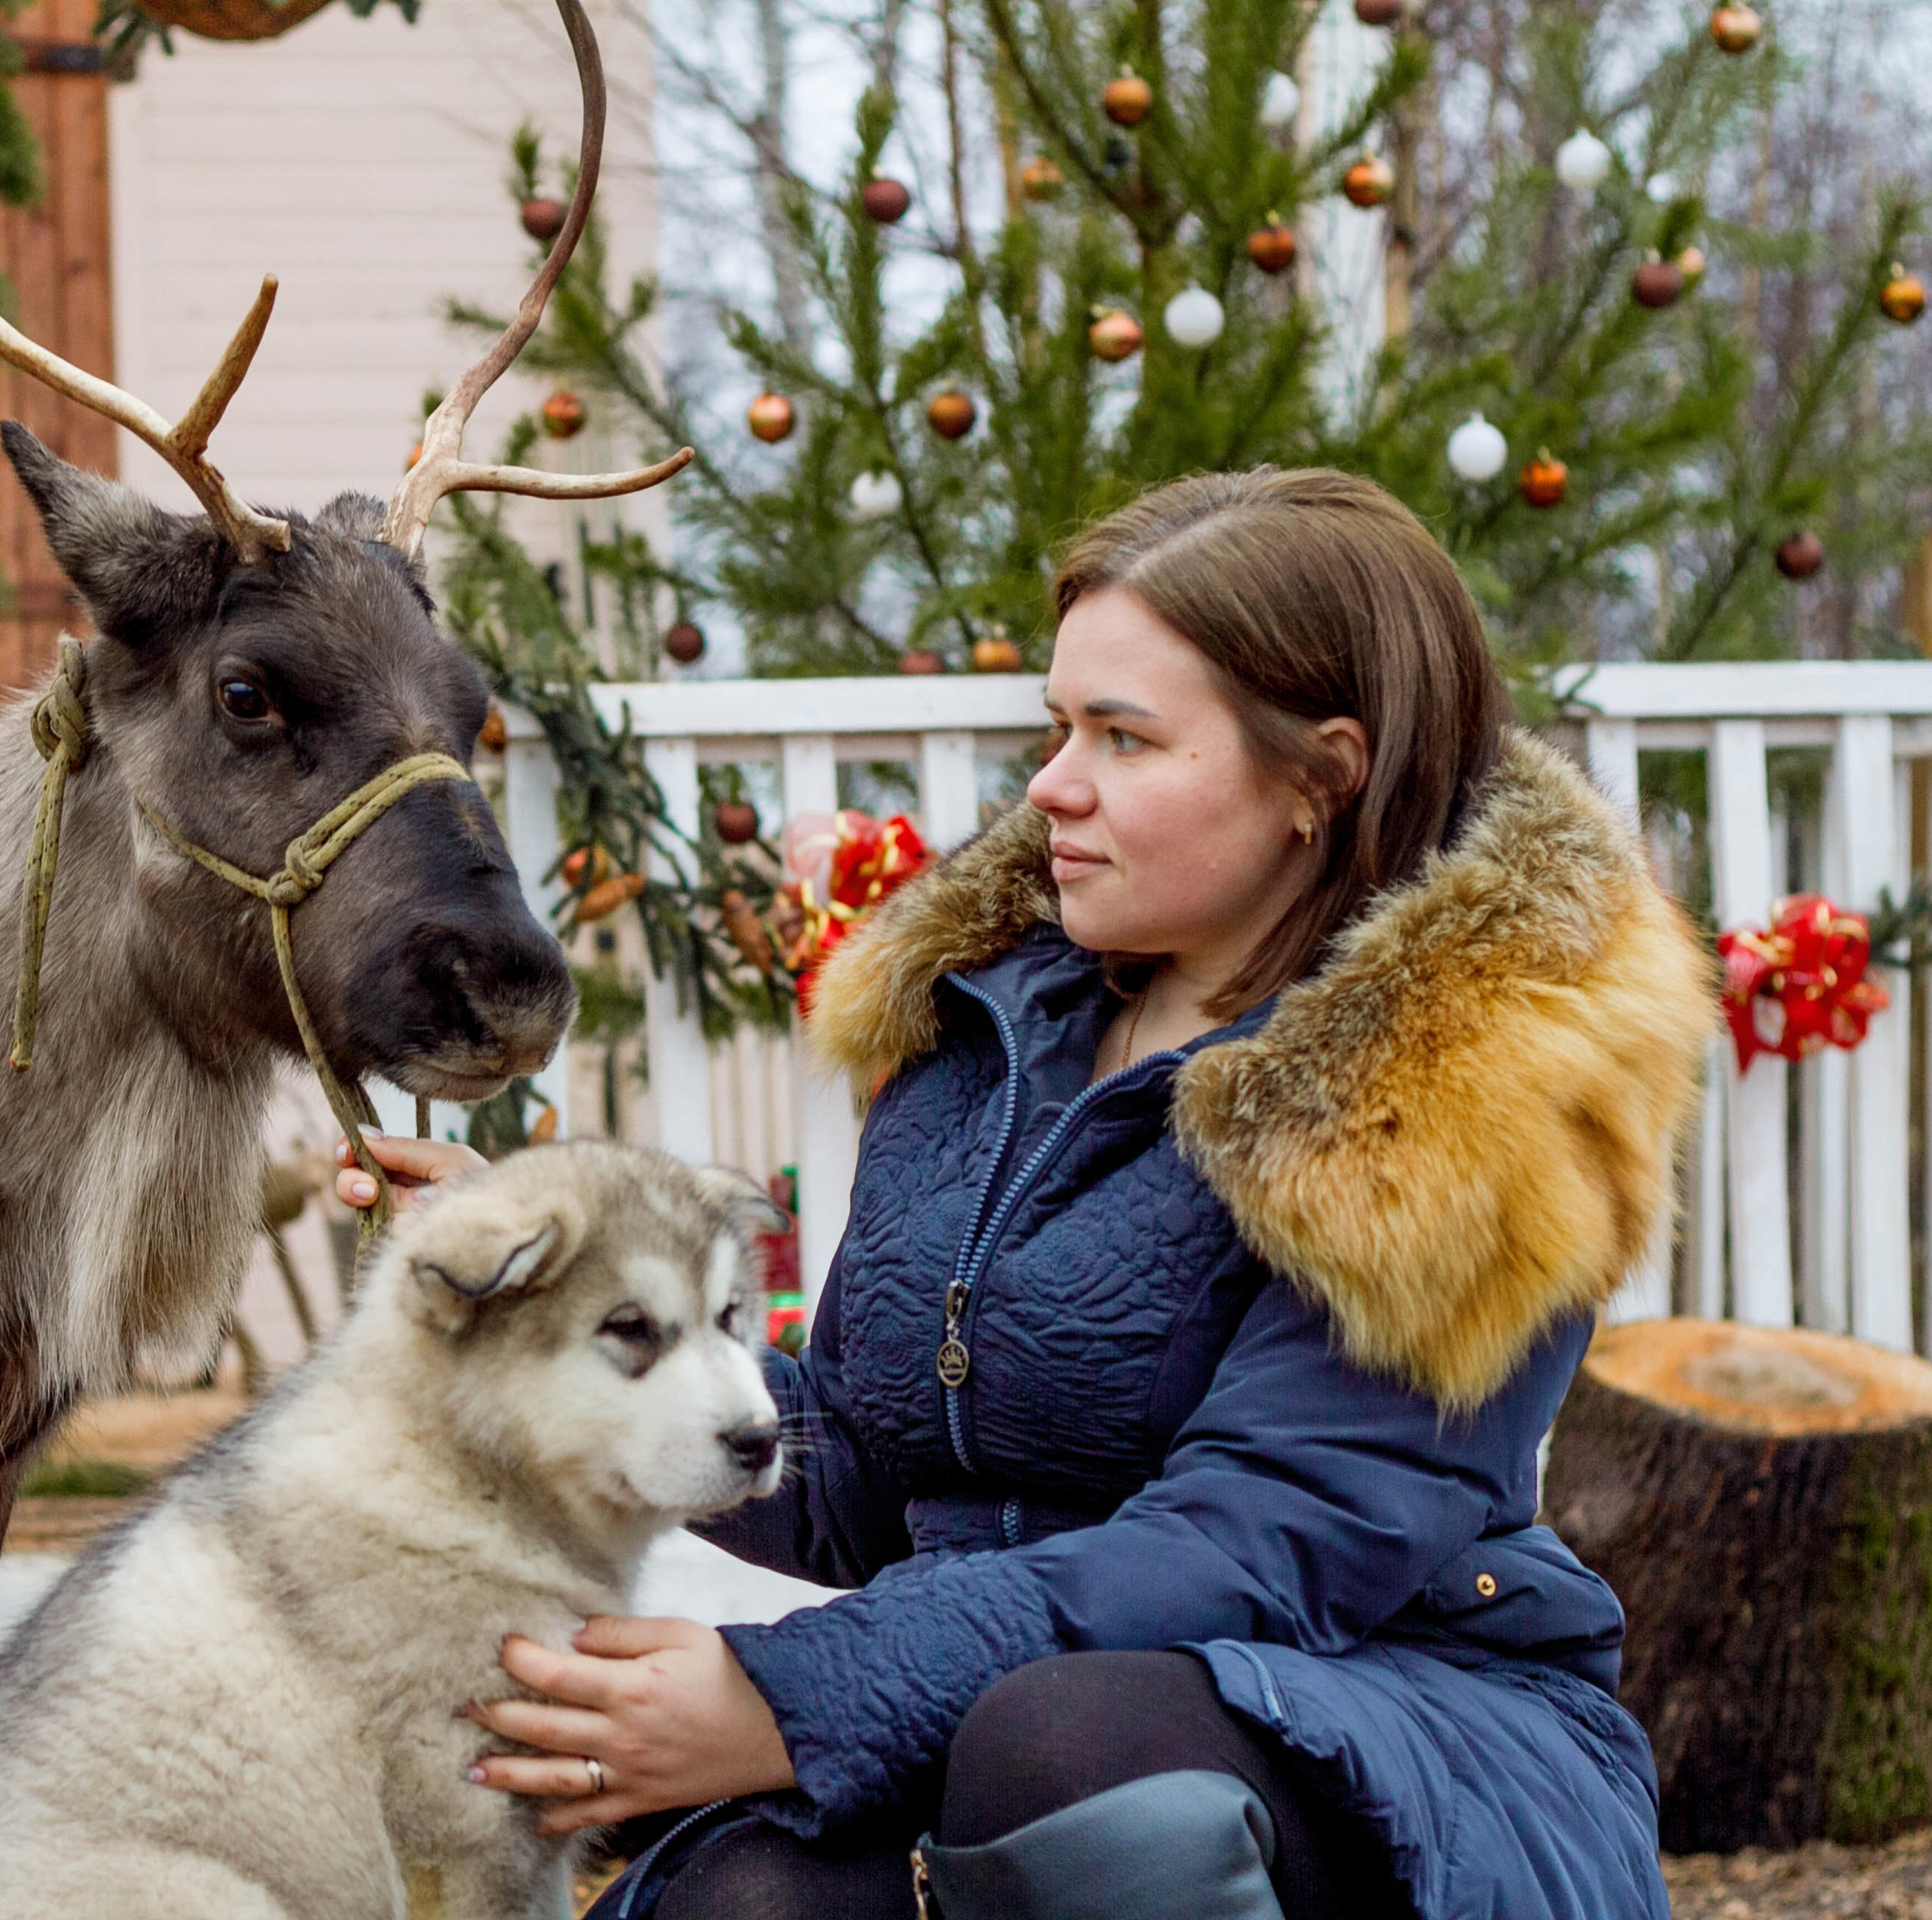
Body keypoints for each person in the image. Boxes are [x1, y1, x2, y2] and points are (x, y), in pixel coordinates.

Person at [336, 468, 1715, 1920]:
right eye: (1060, 728)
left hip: (1390, 1738)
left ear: (1322, 777)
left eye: (1124, 738)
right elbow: (864, 1469)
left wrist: (787, 1698)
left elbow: (1251, 1550)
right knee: (748, 1899)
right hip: (980, 1687)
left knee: (1068, 1752)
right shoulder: (990, 1029)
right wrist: (550, 1316)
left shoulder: (1460, 1088)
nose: (1054, 784)